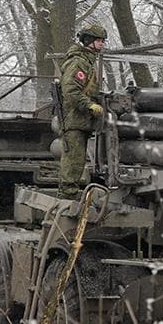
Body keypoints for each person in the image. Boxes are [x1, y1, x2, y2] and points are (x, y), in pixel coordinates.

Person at [57, 23, 107, 198]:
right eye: (99, 40)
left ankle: (69, 193)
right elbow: (70, 90)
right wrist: (89, 105)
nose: (102, 44)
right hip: (74, 120)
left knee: (77, 161)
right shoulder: (79, 62)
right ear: (88, 41)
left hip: (81, 120)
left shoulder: (86, 62)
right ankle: (67, 195)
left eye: (102, 41)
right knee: (73, 161)